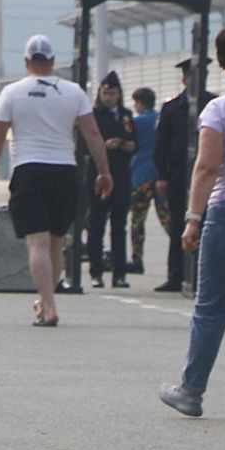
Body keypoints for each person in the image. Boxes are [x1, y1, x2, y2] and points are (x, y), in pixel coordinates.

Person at [0, 34, 113, 327]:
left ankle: (50, 306)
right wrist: (105, 171)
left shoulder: (12, 92)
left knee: (37, 245)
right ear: (53, 62)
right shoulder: (74, 92)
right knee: (56, 243)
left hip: (29, 169)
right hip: (65, 170)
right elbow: (92, 135)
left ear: (27, 62)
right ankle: (45, 301)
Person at [159, 27, 225, 418]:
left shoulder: (219, 110)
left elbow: (206, 167)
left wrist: (191, 219)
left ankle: (191, 390)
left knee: (212, 307)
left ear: (222, 65)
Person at [86, 71, 136, 288]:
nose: (108, 97)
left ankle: (119, 273)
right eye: (105, 93)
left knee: (119, 225)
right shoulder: (94, 114)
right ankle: (96, 271)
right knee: (96, 224)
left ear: (119, 94)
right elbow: (87, 141)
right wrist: (103, 146)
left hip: (121, 175)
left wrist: (123, 144)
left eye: (112, 93)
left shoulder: (125, 115)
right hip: (97, 174)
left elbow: (134, 143)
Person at [153, 60, 199, 294]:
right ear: (184, 79)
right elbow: (161, 145)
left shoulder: (211, 103)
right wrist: (162, 175)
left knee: (204, 223)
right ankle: (176, 274)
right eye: (191, 76)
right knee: (178, 224)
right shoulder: (172, 108)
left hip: (203, 174)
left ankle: (200, 275)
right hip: (178, 174)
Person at [128, 86, 160, 276]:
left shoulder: (136, 122)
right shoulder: (160, 119)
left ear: (139, 102)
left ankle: (137, 259)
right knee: (167, 218)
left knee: (138, 219)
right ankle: (184, 256)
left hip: (140, 173)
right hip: (159, 172)